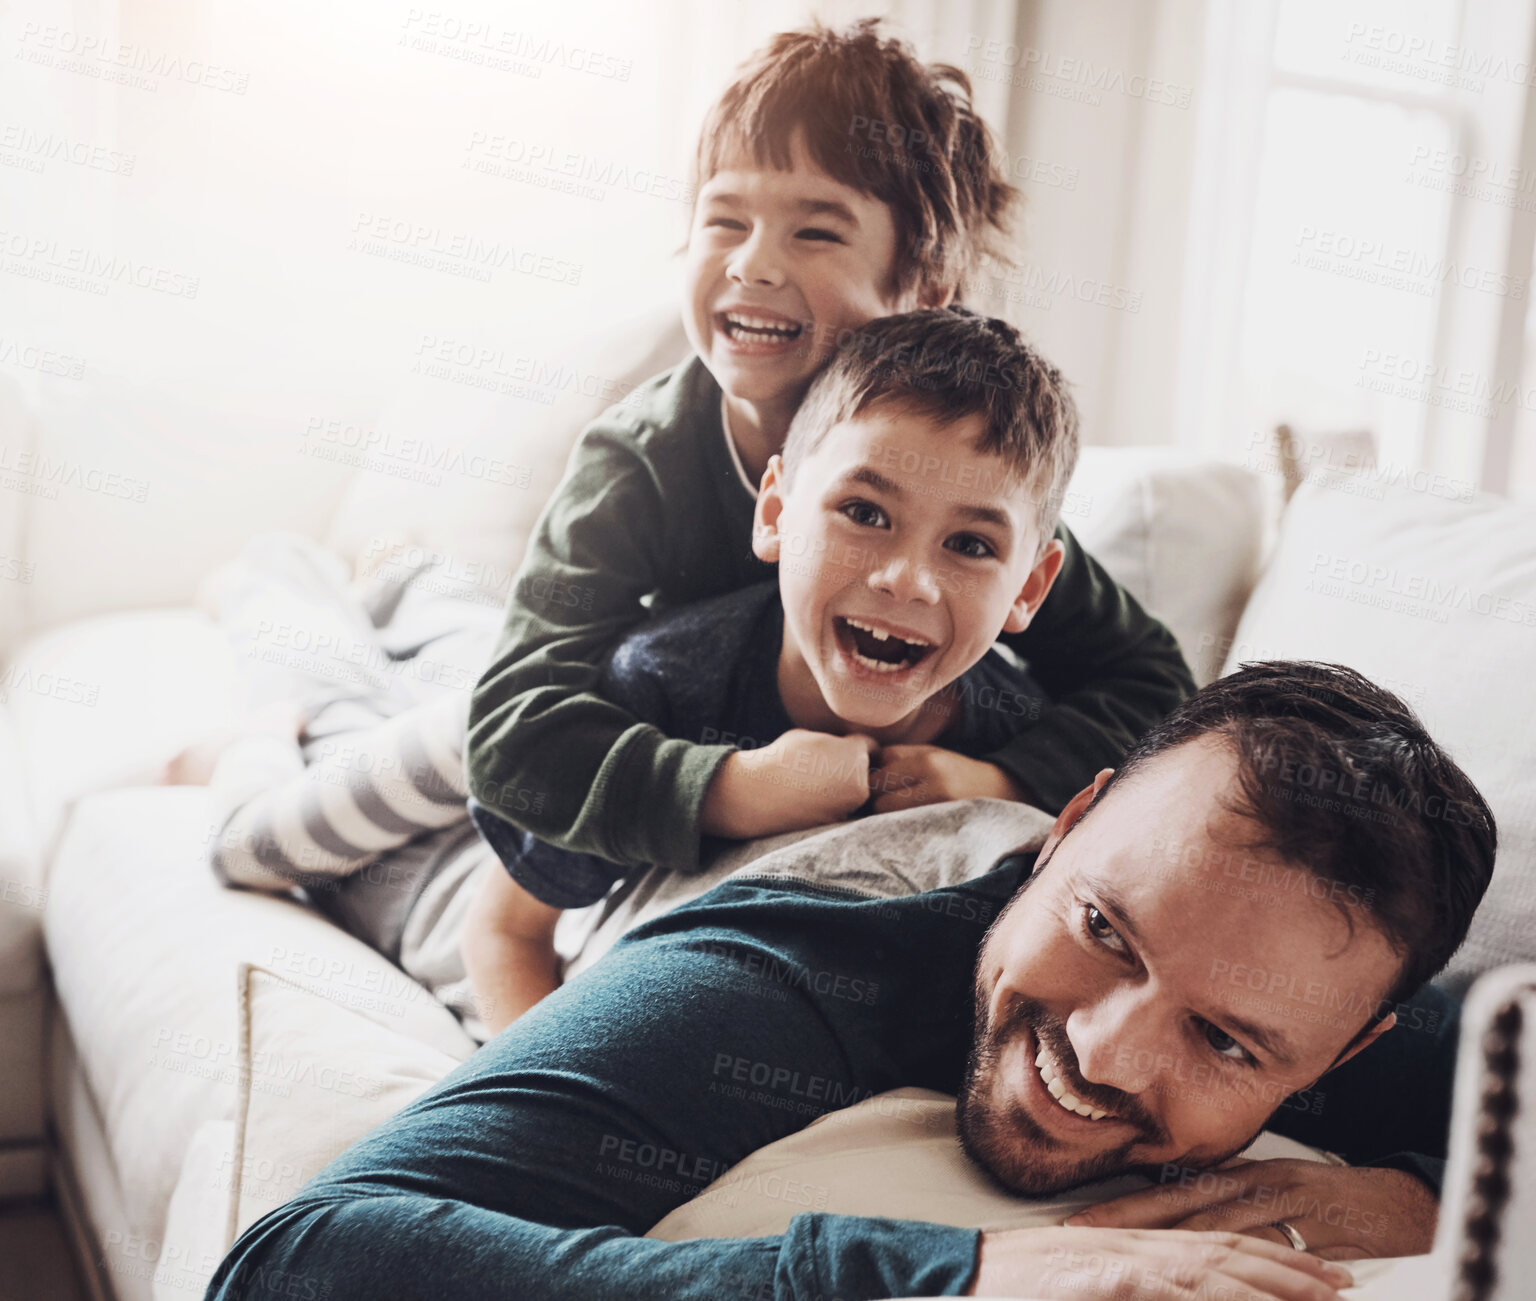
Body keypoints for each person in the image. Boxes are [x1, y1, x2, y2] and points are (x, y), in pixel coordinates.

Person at [205, 662, 1495, 1300]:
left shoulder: (1366, 1012)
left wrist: (1429, 1201)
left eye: (1224, 1042)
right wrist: (962, 1274)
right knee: (363, 717)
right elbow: (298, 1260)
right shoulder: (799, 975)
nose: (1106, 1052)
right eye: (1104, 927)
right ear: (1070, 821)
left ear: (1348, 1050)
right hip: (519, 865)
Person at [464, 19, 1194, 911]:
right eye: (724, 218)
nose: (753, 261)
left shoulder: (955, 490)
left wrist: (998, 781)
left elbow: (1154, 683)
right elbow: (511, 731)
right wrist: (736, 786)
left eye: (816, 232)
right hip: (674, 716)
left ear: (922, 294)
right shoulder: (640, 461)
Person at [463, 306, 1077, 1032]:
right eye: (864, 511)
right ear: (777, 511)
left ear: (1030, 588)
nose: (906, 580)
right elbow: (504, 930)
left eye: (971, 545)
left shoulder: (1018, 735)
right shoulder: (664, 681)